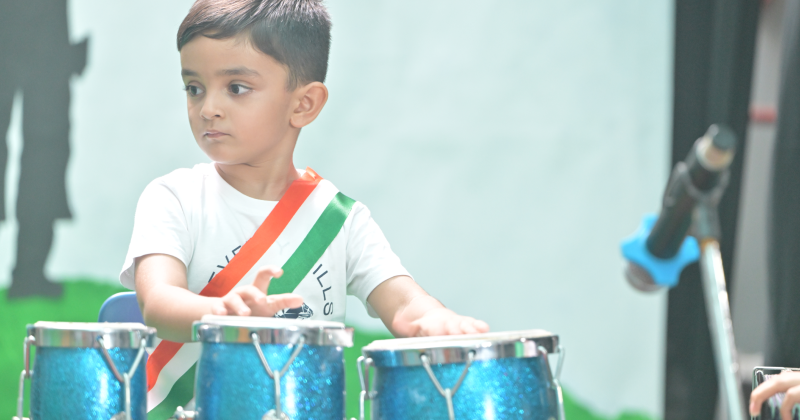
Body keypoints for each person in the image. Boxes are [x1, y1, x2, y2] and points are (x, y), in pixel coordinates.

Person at [119, 0, 489, 414]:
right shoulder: (174, 197)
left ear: (303, 104)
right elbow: (158, 301)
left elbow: (404, 304)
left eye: (236, 88)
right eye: (194, 88)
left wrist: (435, 319)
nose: (208, 108)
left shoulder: (341, 220)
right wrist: (223, 313)